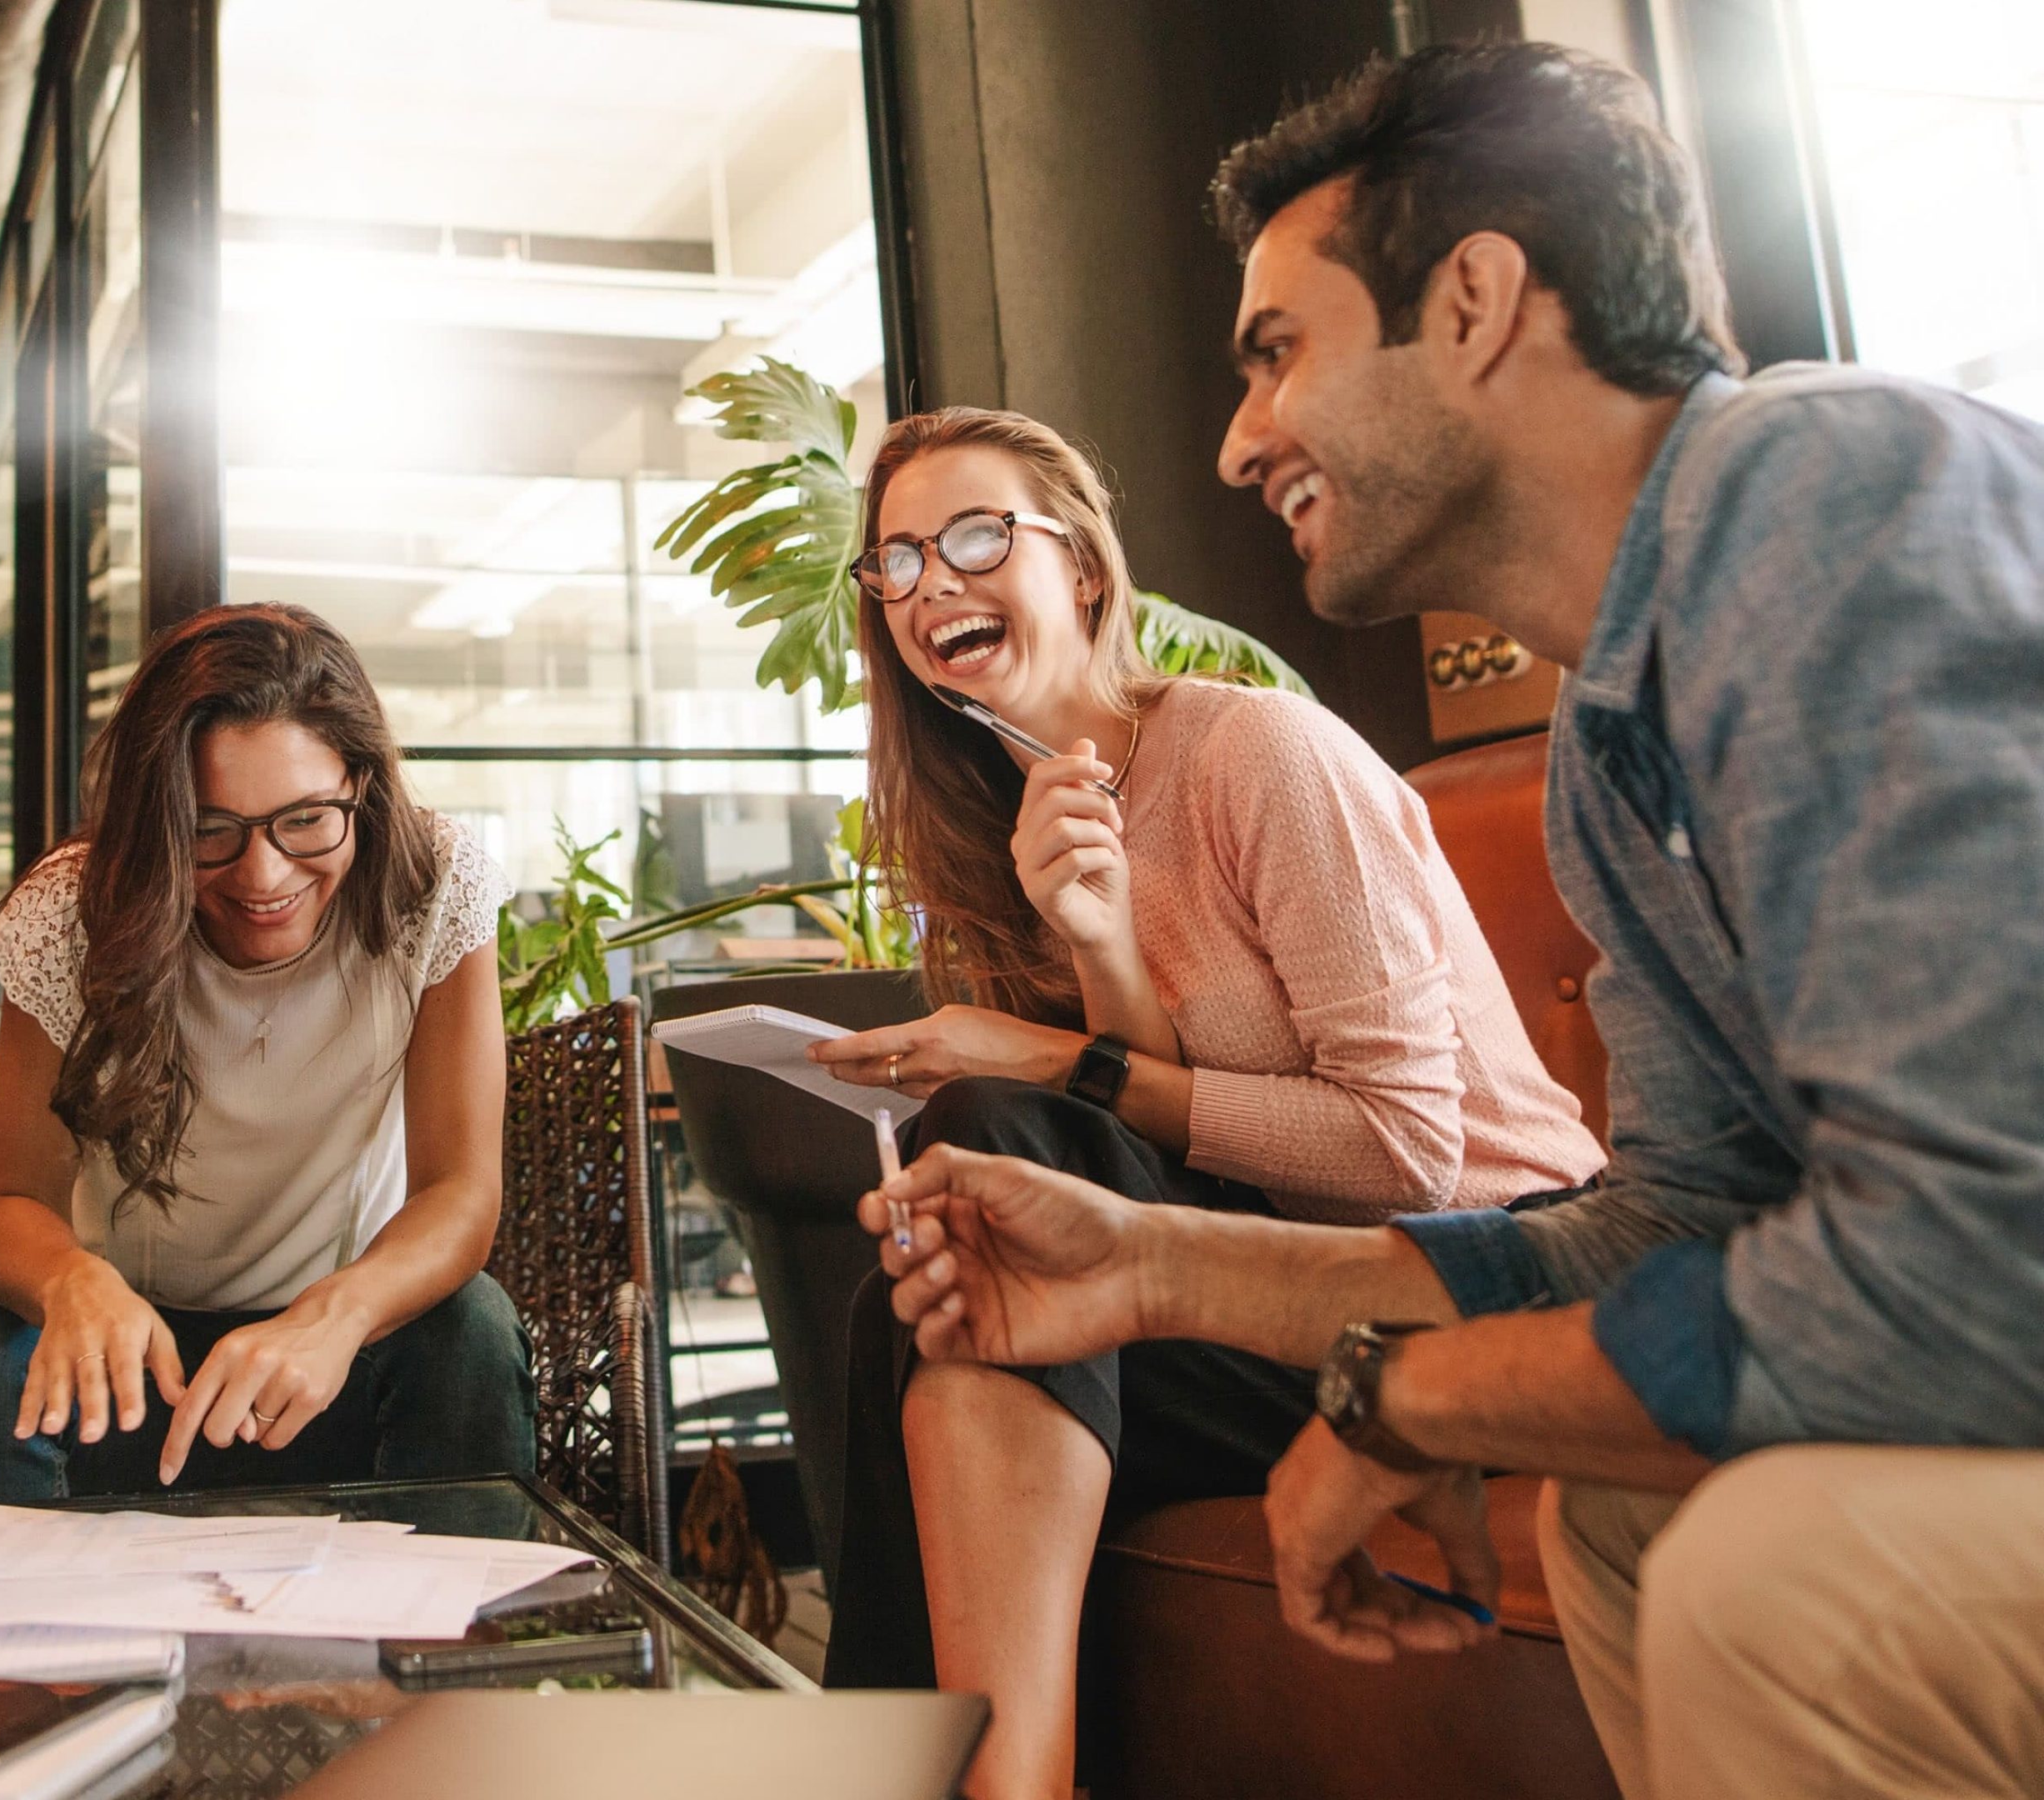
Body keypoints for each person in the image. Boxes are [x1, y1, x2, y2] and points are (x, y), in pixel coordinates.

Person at [867, 42, 2044, 1800]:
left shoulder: (1824, 496)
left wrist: (1407, 1401)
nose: (1238, 437)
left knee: (1765, 1577)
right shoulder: (1611, 741)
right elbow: (1669, 1223)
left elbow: (1971, 1264)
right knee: (1643, 1530)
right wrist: (1156, 1262)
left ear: (1478, 301)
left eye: (1278, 353)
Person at [801, 406, 1602, 1796]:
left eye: (977, 537)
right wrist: (1100, 952)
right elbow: (1142, 1171)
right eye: (897, 562)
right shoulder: (990, 845)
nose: (932, 581)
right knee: (940, 1271)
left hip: (1471, 1285)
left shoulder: (1259, 756)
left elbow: (1406, 1151)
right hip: (1236, 1291)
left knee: (994, 1156)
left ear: (1086, 572)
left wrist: (1049, 1056)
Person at [0, 603, 534, 1506]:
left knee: (471, 1331)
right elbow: (9, 1206)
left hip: (335, 1360)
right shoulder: (69, 913)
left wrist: (337, 1315)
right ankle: (14, 1641)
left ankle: (449, 1641)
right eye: (210, 829)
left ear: (361, 783)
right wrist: (72, 1281)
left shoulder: (432, 885)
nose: (263, 875)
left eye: (307, 819)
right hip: (132, 1379)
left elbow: (459, 1193)